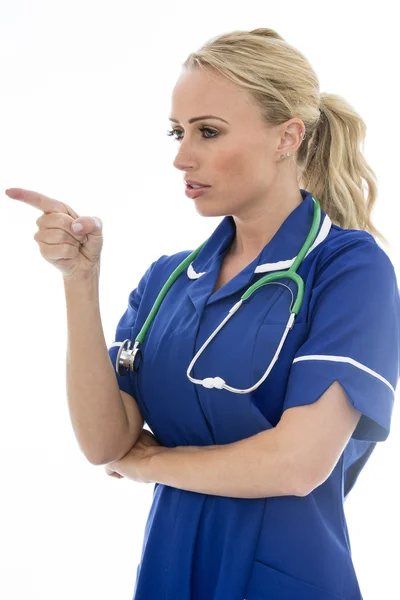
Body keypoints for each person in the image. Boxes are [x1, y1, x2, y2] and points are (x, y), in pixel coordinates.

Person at [6, 27, 400, 600]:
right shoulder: (169, 279)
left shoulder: (347, 269)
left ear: (287, 136)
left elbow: (295, 464)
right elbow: (104, 443)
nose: (181, 157)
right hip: (169, 573)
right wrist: (79, 282)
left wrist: (151, 463)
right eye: (178, 132)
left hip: (286, 580)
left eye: (208, 132)